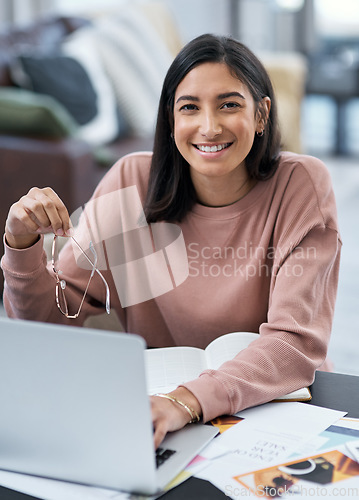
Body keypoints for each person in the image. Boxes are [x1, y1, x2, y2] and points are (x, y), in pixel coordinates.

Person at [1, 34, 341, 449]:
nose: (209, 126)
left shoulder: (300, 185)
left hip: (279, 409)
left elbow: (295, 342)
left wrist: (189, 401)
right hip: (162, 419)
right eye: (190, 108)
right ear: (171, 118)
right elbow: (49, 323)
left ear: (261, 114)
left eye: (229, 104)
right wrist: (20, 246)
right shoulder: (131, 184)